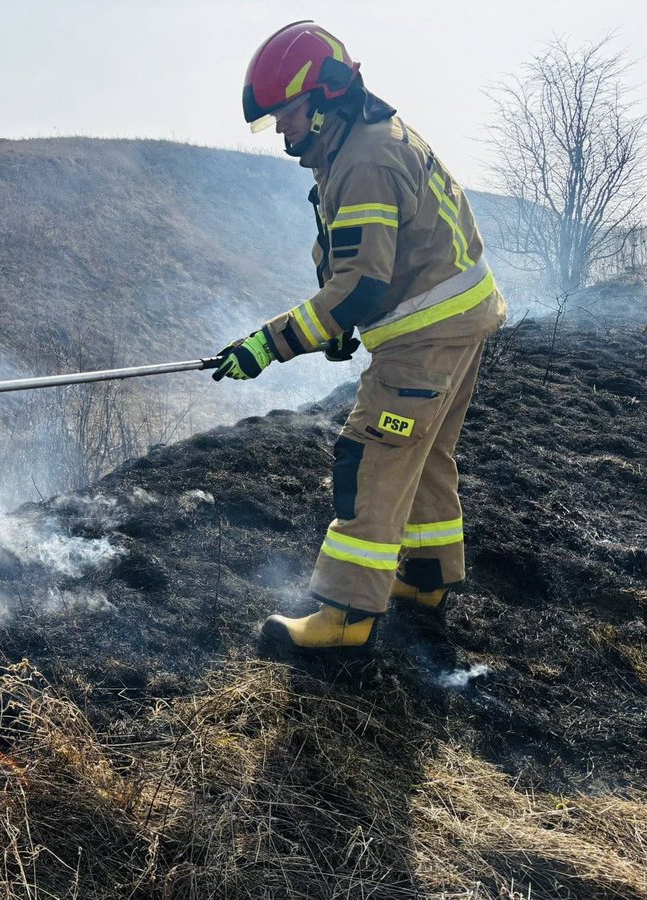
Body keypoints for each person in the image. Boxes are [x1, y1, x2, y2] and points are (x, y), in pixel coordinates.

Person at [213, 20, 507, 652]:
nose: (281, 131)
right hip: (456, 319)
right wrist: (342, 326)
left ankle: (345, 614)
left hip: (425, 335)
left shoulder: (365, 160)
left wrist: (270, 343)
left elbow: (363, 283)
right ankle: (425, 578)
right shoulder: (364, 140)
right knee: (423, 455)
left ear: (324, 101)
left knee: (370, 457)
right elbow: (368, 270)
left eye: (285, 115)